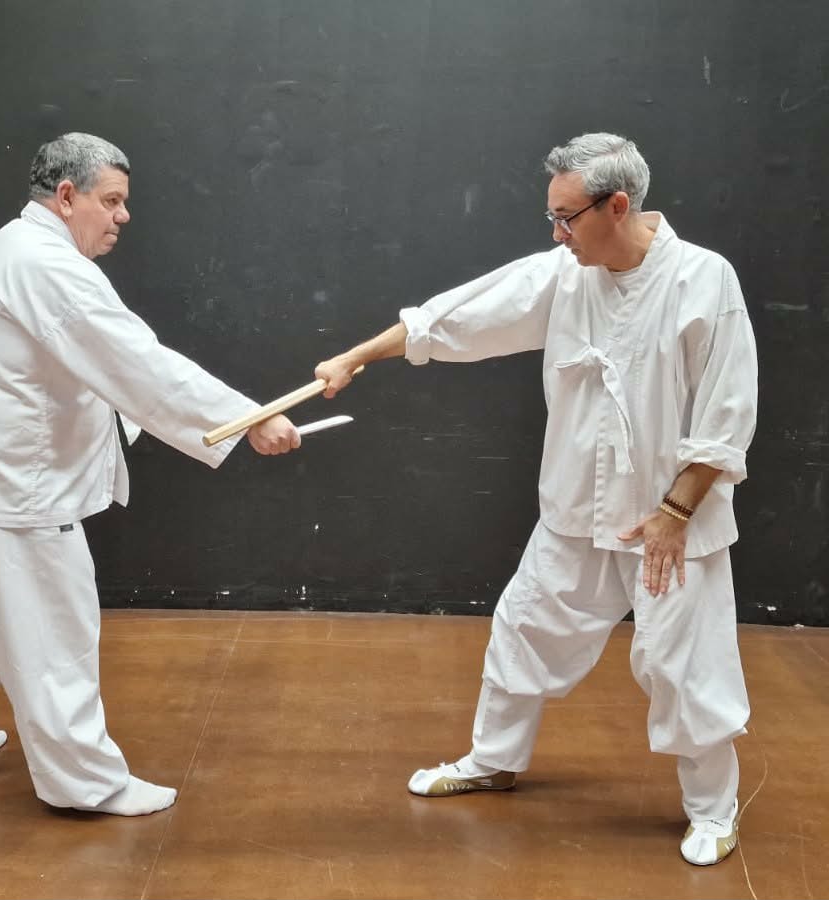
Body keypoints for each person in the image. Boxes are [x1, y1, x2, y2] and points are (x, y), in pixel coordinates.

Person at [314, 133, 758, 865]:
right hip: (576, 508)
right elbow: (464, 314)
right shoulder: (566, 275)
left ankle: (713, 810)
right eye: (551, 217)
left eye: (566, 217)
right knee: (522, 629)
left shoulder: (703, 279)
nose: (556, 233)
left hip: (669, 522)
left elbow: (726, 411)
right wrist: (357, 357)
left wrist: (676, 513)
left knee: (683, 665)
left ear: (617, 206)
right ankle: (493, 759)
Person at [0, 132, 301, 816]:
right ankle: (84, 782)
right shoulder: (47, 265)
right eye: (111, 201)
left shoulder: (9, 248)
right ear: (66, 196)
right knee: (55, 639)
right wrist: (247, 419)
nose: (123, 215)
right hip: (21, 496)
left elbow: (106, 364)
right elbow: (134, 362)